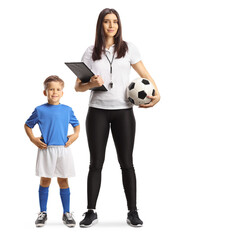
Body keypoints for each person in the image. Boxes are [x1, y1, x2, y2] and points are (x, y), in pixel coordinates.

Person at [75, 8, 160, 228]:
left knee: (127, 163)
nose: (111, 25)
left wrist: (157, 94)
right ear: (100, 25)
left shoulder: (129, 48)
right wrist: (91, 84)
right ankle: (91, 211)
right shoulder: (90, 51)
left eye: (115, 21)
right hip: (97, 112)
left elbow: (145, 75)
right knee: (96, 164)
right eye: (106, 22)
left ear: (119, 25)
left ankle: (133, 212)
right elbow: (78, 87)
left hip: (124, 111)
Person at [24, 75, 80, 228]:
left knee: (63, 181)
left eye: (58, 89)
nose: (54, 92)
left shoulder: (67, 110)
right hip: (46, 150)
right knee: (45, 180)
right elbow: (28, 125)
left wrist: (75, 136)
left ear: (62, 92)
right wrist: (33, 139)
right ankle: (43, 212)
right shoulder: (40, 110)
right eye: (51, 89)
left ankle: (66, 213)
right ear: (45, 92)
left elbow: (76, 125)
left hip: (63, 150)